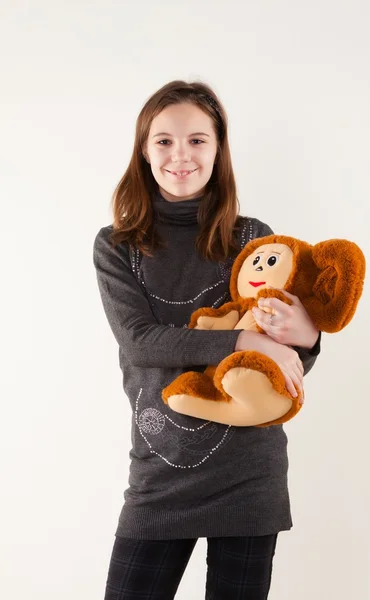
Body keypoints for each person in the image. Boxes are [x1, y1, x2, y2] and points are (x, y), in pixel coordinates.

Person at [93, 80, 321, 600]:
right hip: (159, 475)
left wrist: (308, 336)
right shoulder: (117, 246)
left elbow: (282, 354)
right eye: (165, 140)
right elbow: (140, 341)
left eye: (198, 140)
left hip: (248, 473)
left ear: (218, 152)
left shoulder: (252, 238)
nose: (181, 155)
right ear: (144, 150)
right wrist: (246, 339)